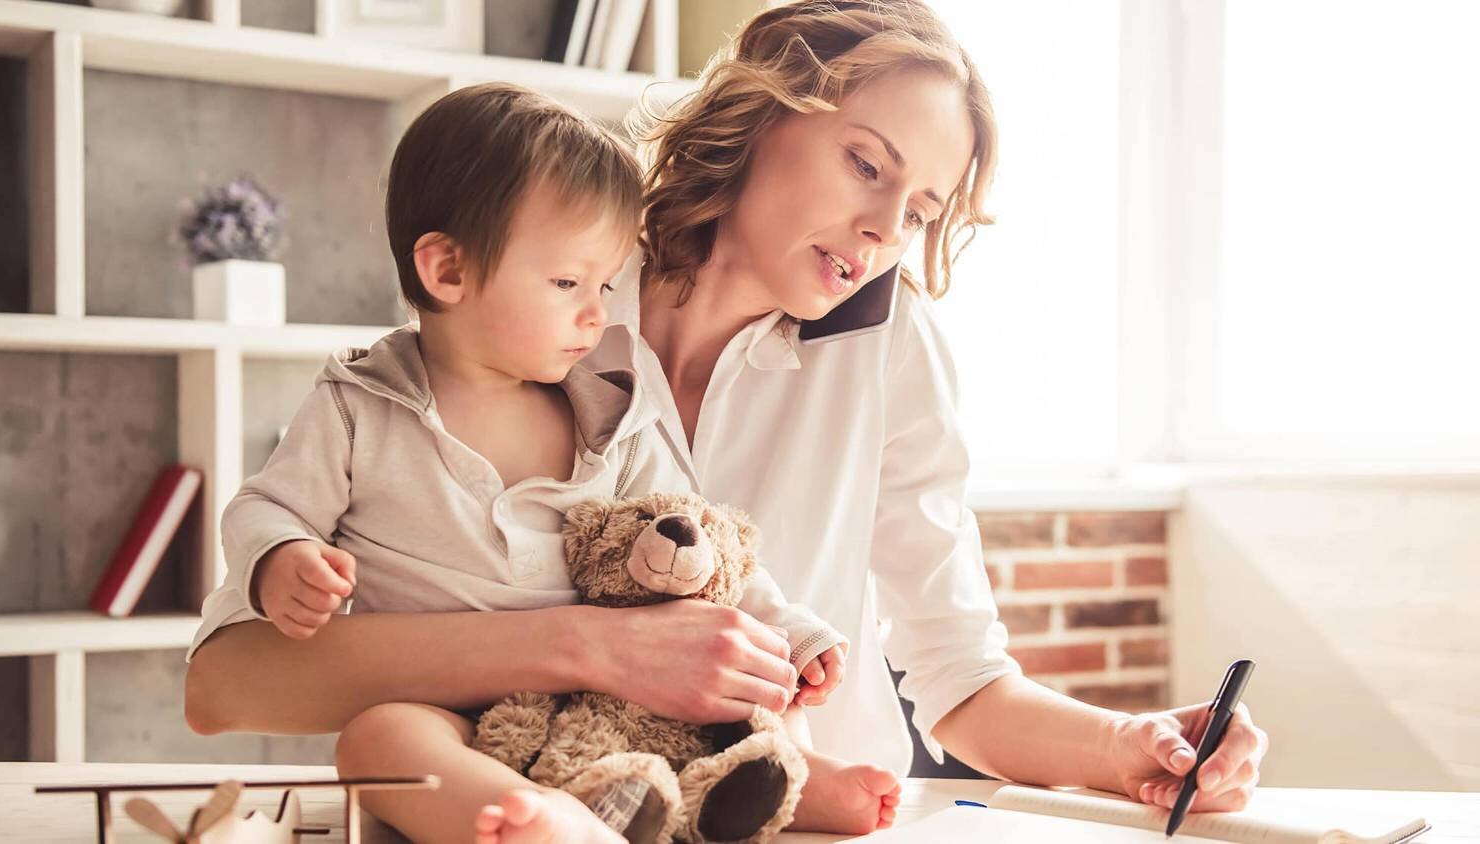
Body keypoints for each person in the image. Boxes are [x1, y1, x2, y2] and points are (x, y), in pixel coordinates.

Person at [186, 0, 1268, 837]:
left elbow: (963, 680)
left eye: (922, 210)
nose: (886, 229)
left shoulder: (891, 351)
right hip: (550, 805)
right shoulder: (551, 288)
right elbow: (231, 679)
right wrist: (597, 648)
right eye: (867, 164)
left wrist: (1129, 743)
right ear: (763, 110)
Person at [186, 82, 866, 843]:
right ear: (447, 272)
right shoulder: (358, 407)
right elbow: (264, 507)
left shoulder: (613, 411)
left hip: (600, 712)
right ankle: (540, 819)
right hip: (446, 711)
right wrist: (282, 556)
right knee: (375, 743)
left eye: (605, 284)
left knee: (741, 668)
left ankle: (783, 780)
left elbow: (705, 546)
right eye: (568, 283)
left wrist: (792, 633)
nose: (597, 313)